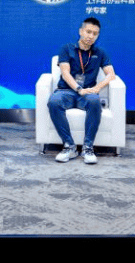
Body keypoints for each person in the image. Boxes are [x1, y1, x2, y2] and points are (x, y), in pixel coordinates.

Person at [48, 17, 116, 165]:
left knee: (94, 101)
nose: (91, 36)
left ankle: (87, 148)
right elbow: (65, 73)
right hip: (66, 90)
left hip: (88, 93)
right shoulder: (66, 49)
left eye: (95, 33)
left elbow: (111, 75)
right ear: (81, 31)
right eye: (88, 32)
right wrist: (79, 89)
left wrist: (97, 88)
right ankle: (69, 146)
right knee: (54, 102)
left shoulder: (100, 52)